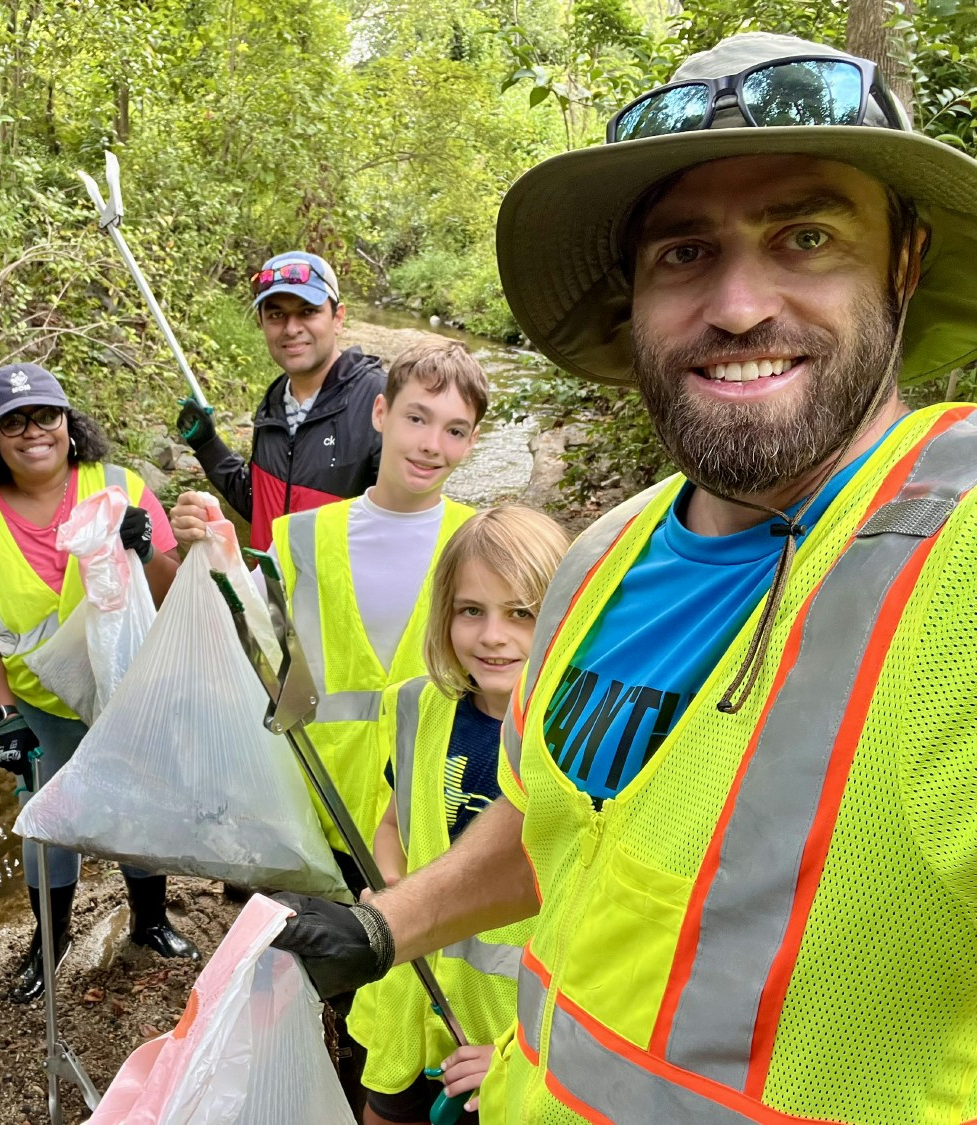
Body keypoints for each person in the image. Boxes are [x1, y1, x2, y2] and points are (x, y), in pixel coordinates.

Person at [269, 32, 977, 1123]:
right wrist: (392, 923)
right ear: (632, 300)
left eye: (805, 235)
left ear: (905, 262)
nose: (739, 306)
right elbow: (552, 823)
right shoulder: (606, 550)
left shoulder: (956, 552)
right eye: (684, 254)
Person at [174, 336, 486, 1114]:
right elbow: (265, 654)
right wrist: (217, 559)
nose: (432, 443)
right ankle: (346, 1082)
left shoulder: (482, 540)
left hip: (431, 806)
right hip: (325, 809)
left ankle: (412, 1082)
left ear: (474, 441)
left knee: (428, 960)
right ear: (380, 414)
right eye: (418, 417)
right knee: (338, 972)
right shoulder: (301, 537)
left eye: (455, 429)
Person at [0, 362, 200, 1006]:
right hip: (40, 704)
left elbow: (170, 594)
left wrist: (149, 553)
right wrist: (1, 714)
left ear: (68, 423)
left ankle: (149, 921)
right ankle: (49, 942)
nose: (33, 433)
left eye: (46, 416)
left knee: (137, 808)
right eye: (13, 422)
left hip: (128, 692)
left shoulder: (120, 488)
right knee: (50, 824)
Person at [354, 506, 568, 1125]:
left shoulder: (575, 737)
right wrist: (391, 891)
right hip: (413, 996)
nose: (492, 636)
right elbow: (395, 826)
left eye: (521, 613)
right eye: (471, 610)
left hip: (510, 1030)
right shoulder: (419, 709)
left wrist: (519, 1049)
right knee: (387, 1110)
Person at [175, 250, 386, 551]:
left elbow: (402, 529)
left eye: (308, 311)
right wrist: (208, 446)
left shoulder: (381, 402)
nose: (291, 328)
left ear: (338, 318)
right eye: (276, 315)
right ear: (261, 322)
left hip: (340, 597)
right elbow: (263, 508)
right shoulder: (275, 400)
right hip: (271, 594)